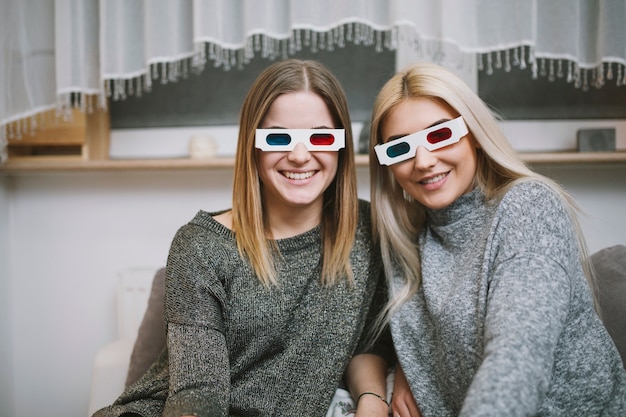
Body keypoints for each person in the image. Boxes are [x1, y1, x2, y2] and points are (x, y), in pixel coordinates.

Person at [93, 59, 394, 417]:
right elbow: (197, 395)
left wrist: (372, 399)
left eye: (321, 137)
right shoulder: (201, 246)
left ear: (341, 146)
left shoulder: (370, 231)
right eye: (279, 137)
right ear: (253, 146)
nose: (300, 155)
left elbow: (366, 342)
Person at [368, 62, 626, 416]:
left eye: (440, 135)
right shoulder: (408, 240)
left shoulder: (528, 207)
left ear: (473, 133)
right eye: (399, 149)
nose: (423, 161)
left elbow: (518, 353)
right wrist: (408, 368)